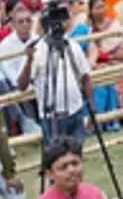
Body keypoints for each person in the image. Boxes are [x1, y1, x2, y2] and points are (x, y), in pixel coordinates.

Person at [16, 14, 94, 145]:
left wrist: (92, 108)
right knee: (56, 154)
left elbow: (86, 77)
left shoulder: (72, 45)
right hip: (51, 116)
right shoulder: (36, 49)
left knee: (77, 152)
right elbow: (21, 85)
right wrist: (29, 61)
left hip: (76, 110)